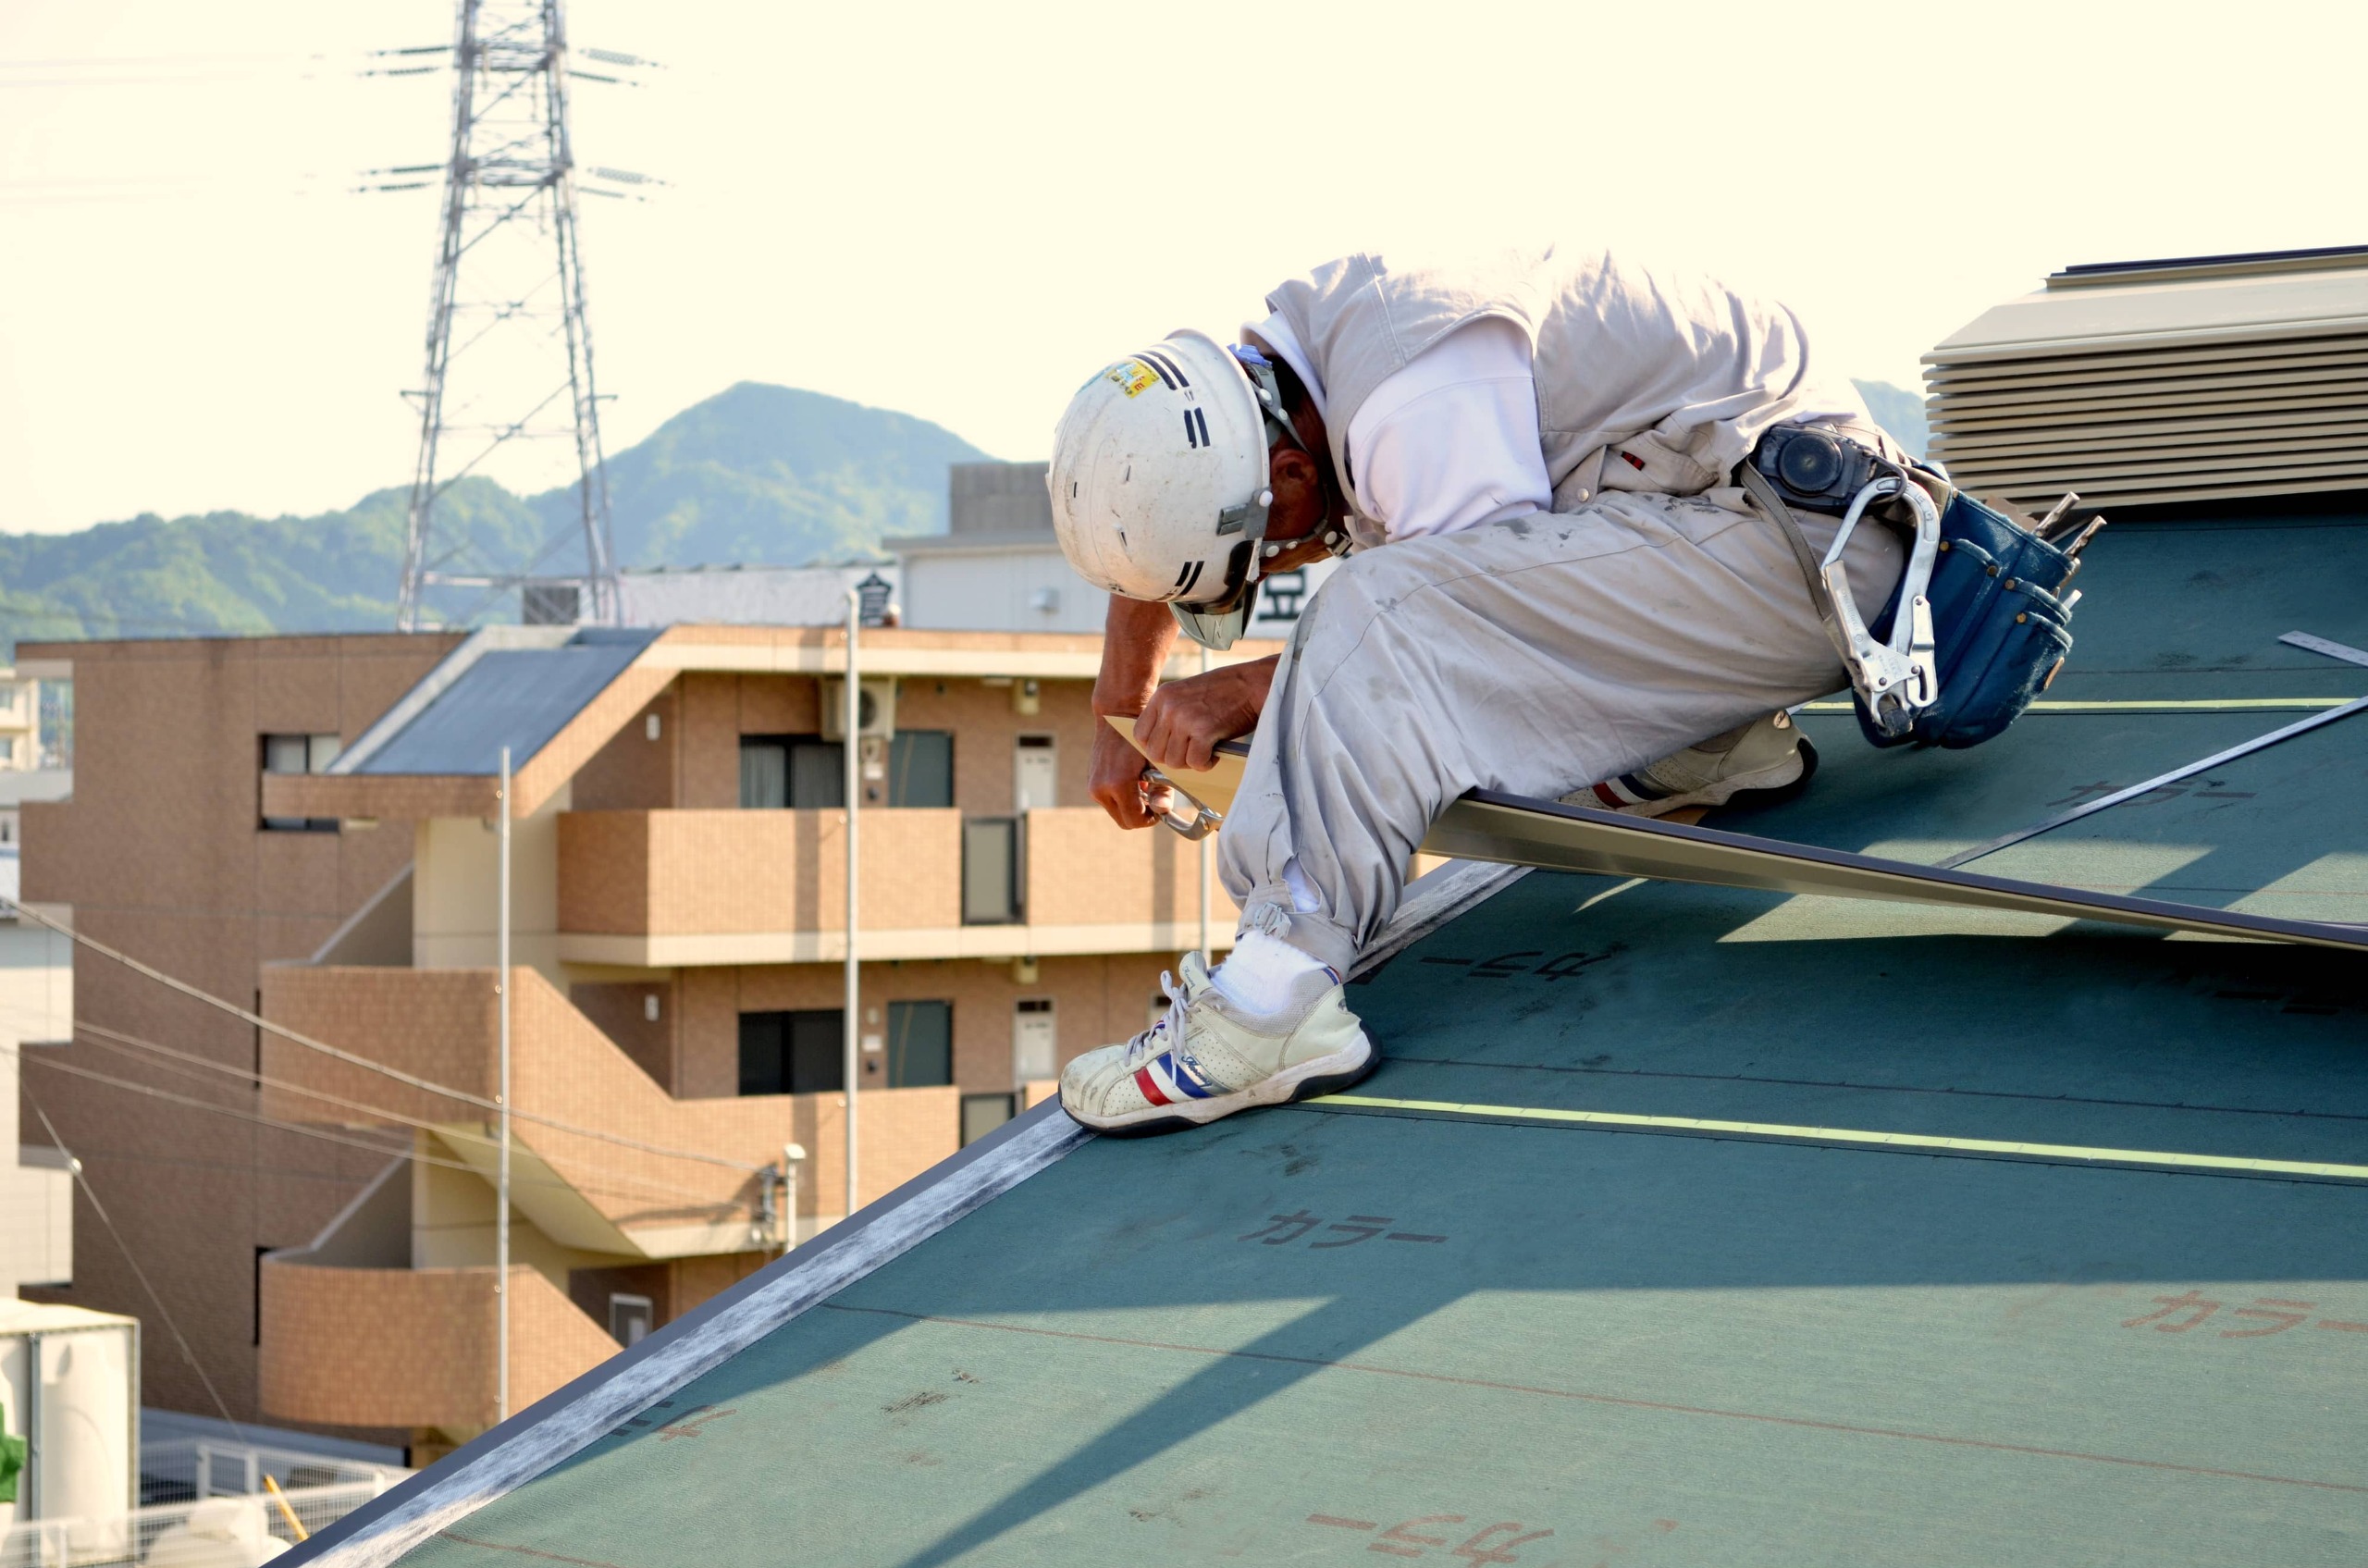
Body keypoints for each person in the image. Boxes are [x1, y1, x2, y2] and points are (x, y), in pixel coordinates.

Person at [1049, 248, 1906, 1135]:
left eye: (1263, 559)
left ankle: (1274, 1002)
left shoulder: (1412, 409)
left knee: (1375, 606)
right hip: (1765, 532)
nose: (1283, 566)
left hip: (1814, 560)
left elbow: (1444, 640)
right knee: (1391, 594)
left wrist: (1251, 689)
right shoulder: (1298, 358)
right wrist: (1119, 705)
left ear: (1294, 478)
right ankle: (1708, 743)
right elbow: (1171, 500)